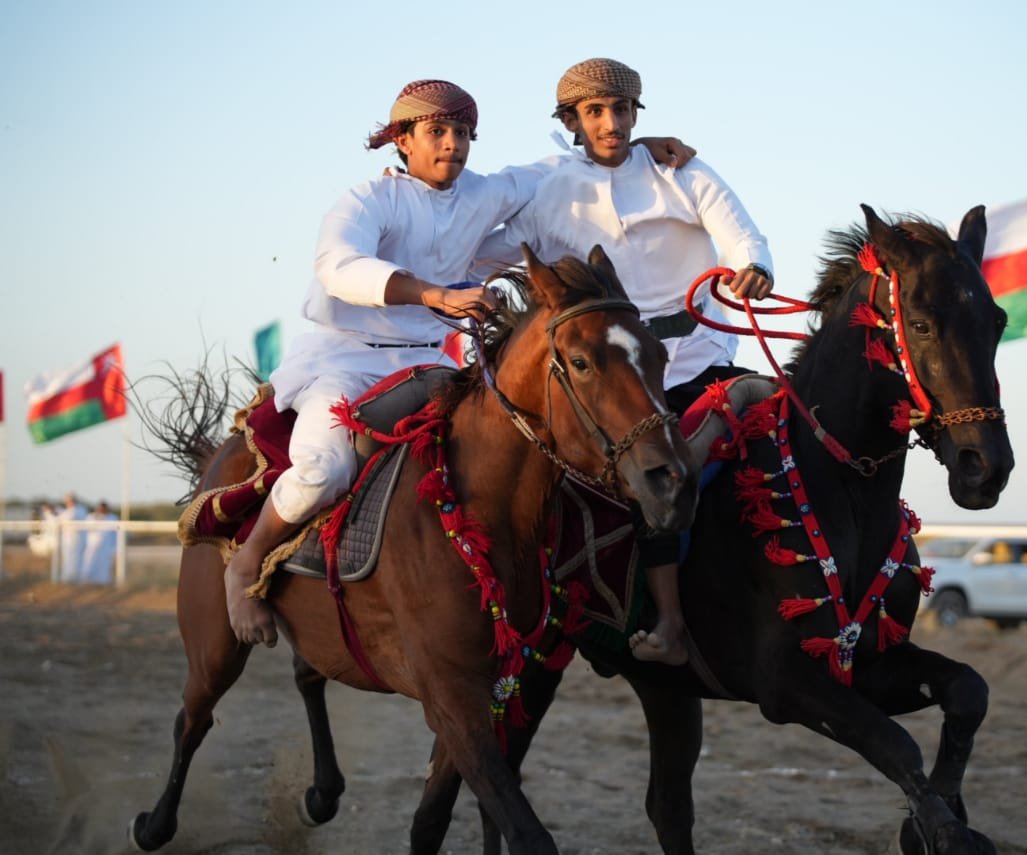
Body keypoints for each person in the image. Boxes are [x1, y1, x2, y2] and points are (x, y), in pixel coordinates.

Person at [226, 79, 695, 647]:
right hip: (344, 361)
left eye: (464, 133)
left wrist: (638, 146)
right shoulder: (368, 200)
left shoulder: (484, 193)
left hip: (431, 366)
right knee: (323, 471)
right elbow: (338, 266)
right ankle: (245, 566)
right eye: (437, 132)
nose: (453, 143)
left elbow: (561, 166)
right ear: (403, 140)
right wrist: (435, 295)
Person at [476, 58, 774, 665]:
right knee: (656, 468)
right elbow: (479, 252)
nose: (611, 123)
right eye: (595, 112)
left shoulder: (680, 169)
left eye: (621, 110)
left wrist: (755, 268)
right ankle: (669, 625)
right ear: (571, 121)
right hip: (615, 379)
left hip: (700, 351)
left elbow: (742, 234)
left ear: (637, 114)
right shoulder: (545, 187)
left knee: (788, 421)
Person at [81, 501, 119, 585]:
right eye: (100, 509)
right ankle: (86, 580)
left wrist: (115, 548)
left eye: (104, 509)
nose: (102, 510)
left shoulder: (112, 518)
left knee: (104, 564)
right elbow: (86, 529)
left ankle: (102, 581)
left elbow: (115, 534)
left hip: (106, 547)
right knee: (89, 562)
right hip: (92, 545)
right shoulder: (91, 517)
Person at [57, 493, 88, 583]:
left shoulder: (80, 510)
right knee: (67, 559)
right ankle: (67, 578)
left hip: (77, 540)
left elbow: (73, 518)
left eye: (69, 501)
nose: (68, 503)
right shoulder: (66, 511)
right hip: (67, 541)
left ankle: (76, 579)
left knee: (77, 560)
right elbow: (59, 519)